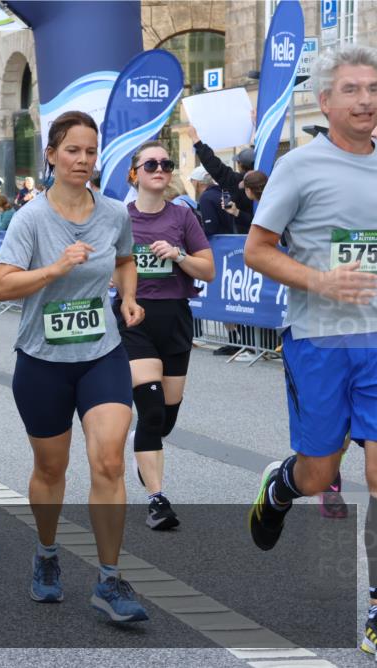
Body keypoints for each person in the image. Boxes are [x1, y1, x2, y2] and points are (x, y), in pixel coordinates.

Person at [242, 45, 377, 656]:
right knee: (321, 470)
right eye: (351, 89)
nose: (366, 99)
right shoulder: (301, 167)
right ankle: (282, 485)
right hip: (321, 338)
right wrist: (321, 280)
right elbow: (257, 250)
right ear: (325, 101)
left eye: (372, 88)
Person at [0, 110, 148, 622]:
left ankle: (109, 578)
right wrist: (55, 268)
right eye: (73, 150)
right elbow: (4, 284)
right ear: (52, 156)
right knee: (50, 468)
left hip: (101, 354)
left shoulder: (114, 213)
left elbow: (125, 258)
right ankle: (47, 553)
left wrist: (127, 298)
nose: (83, 160)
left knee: (108, 461)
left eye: (89, 150)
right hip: (42, 359)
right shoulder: (31, 218)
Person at [118, 141, 215, 530]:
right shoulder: (119, 218)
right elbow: (103, 268)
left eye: (165, 163)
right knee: (153, 408)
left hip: (174, 317)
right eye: (151, 163)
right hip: (134, 316)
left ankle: (147, 447)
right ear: (134, 173)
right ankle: (157, 500)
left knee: (165, 419)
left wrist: (177, 256)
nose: (160, 168)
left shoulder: (183, 217)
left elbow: (207, 270)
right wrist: (123, 282)